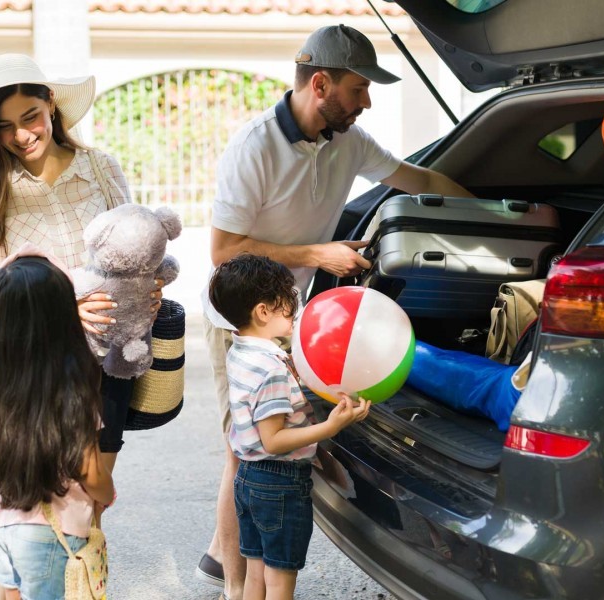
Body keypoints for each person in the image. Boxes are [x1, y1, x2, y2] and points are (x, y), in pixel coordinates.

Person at [197, 24, 474, 600]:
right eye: (358, 88)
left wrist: (492, 213)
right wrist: (314, 254)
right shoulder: (255, 147)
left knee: (265, 442)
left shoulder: (349, 140)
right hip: (242, 316)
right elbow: (224, 252)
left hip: (294, 318)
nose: (367, 100)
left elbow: (415, 179)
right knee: (245, 448)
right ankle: (233, 583)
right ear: (319, 84)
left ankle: (224, 551)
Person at [0, 53, 162, 492]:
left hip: (109, 360)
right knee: (49, 495)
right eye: (4, 126)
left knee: (96, 488)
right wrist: (66, 311)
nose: (21, 135)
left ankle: (88, 561)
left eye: (30, 116)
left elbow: (135, 245)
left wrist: (148, 286)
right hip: (41, 364)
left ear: (51, 105)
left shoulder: (101, 169)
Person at [208, 253, 371, 600]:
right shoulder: (270, 369)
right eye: (288, 302)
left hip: (249, 480)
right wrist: (330, 427)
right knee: (280, 578)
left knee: (256, 572)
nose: (295, 309)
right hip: (278, 483)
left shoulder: (242, 351)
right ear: (263, 311)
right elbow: (274, 440)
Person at [0, 253, 114, 600]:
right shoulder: (72, 391)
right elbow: (90, 472)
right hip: (55, 535)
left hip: (6, 525)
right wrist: (107, 494)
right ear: (63, 320)